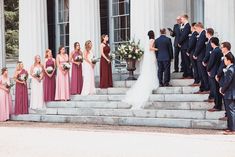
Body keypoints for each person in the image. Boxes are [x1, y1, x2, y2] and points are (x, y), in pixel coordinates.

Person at [123, 30, 159, 108]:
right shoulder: (152, 40)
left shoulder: (148, 41)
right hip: (151, 56)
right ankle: (152, 83)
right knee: (152, 69)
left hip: (148, 57)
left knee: (149, 70)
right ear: (153, 35)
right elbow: (150, 48)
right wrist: (157, 49)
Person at [219, 53, 235, 135]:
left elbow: (227, 82)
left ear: (229, 60)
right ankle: (230, 127)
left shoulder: (230, 70)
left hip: (230, 93)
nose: (224, 61)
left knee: (231, 112)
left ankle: (233, 129)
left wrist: (222, 89)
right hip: (231, 93)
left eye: (225, 59)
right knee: (229, 112)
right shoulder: (232, 68)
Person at [206, 37, 223, 112]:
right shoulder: (220, 50)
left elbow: (211, 62)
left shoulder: (214, 51)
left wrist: (208, 69)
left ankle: (217, 106)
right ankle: (218, 105)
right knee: (217, 89)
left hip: (213, 72)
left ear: (212, 43)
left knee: (215, 90)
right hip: (218, 72)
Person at [193, 22, 210, 94]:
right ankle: (202, 87)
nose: (196, 30)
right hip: (200, 56)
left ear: (199, 27)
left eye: (196, 28)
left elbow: (199, 45)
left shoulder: (203, 34)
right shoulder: (202, 34)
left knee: (203, 73)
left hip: (201, 56)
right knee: (201, 73)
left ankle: (206, 87)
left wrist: (195, 54)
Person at [203, 28, 215, 102]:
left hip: (210, 63)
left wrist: (204, 61)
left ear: (208, 33)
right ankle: (211, 95)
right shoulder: (209, 40)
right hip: (210, 62)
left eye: (206, 33)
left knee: (211, 81)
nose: (205, 34)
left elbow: (208, 53)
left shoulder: (212, 41)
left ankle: (212, 96)